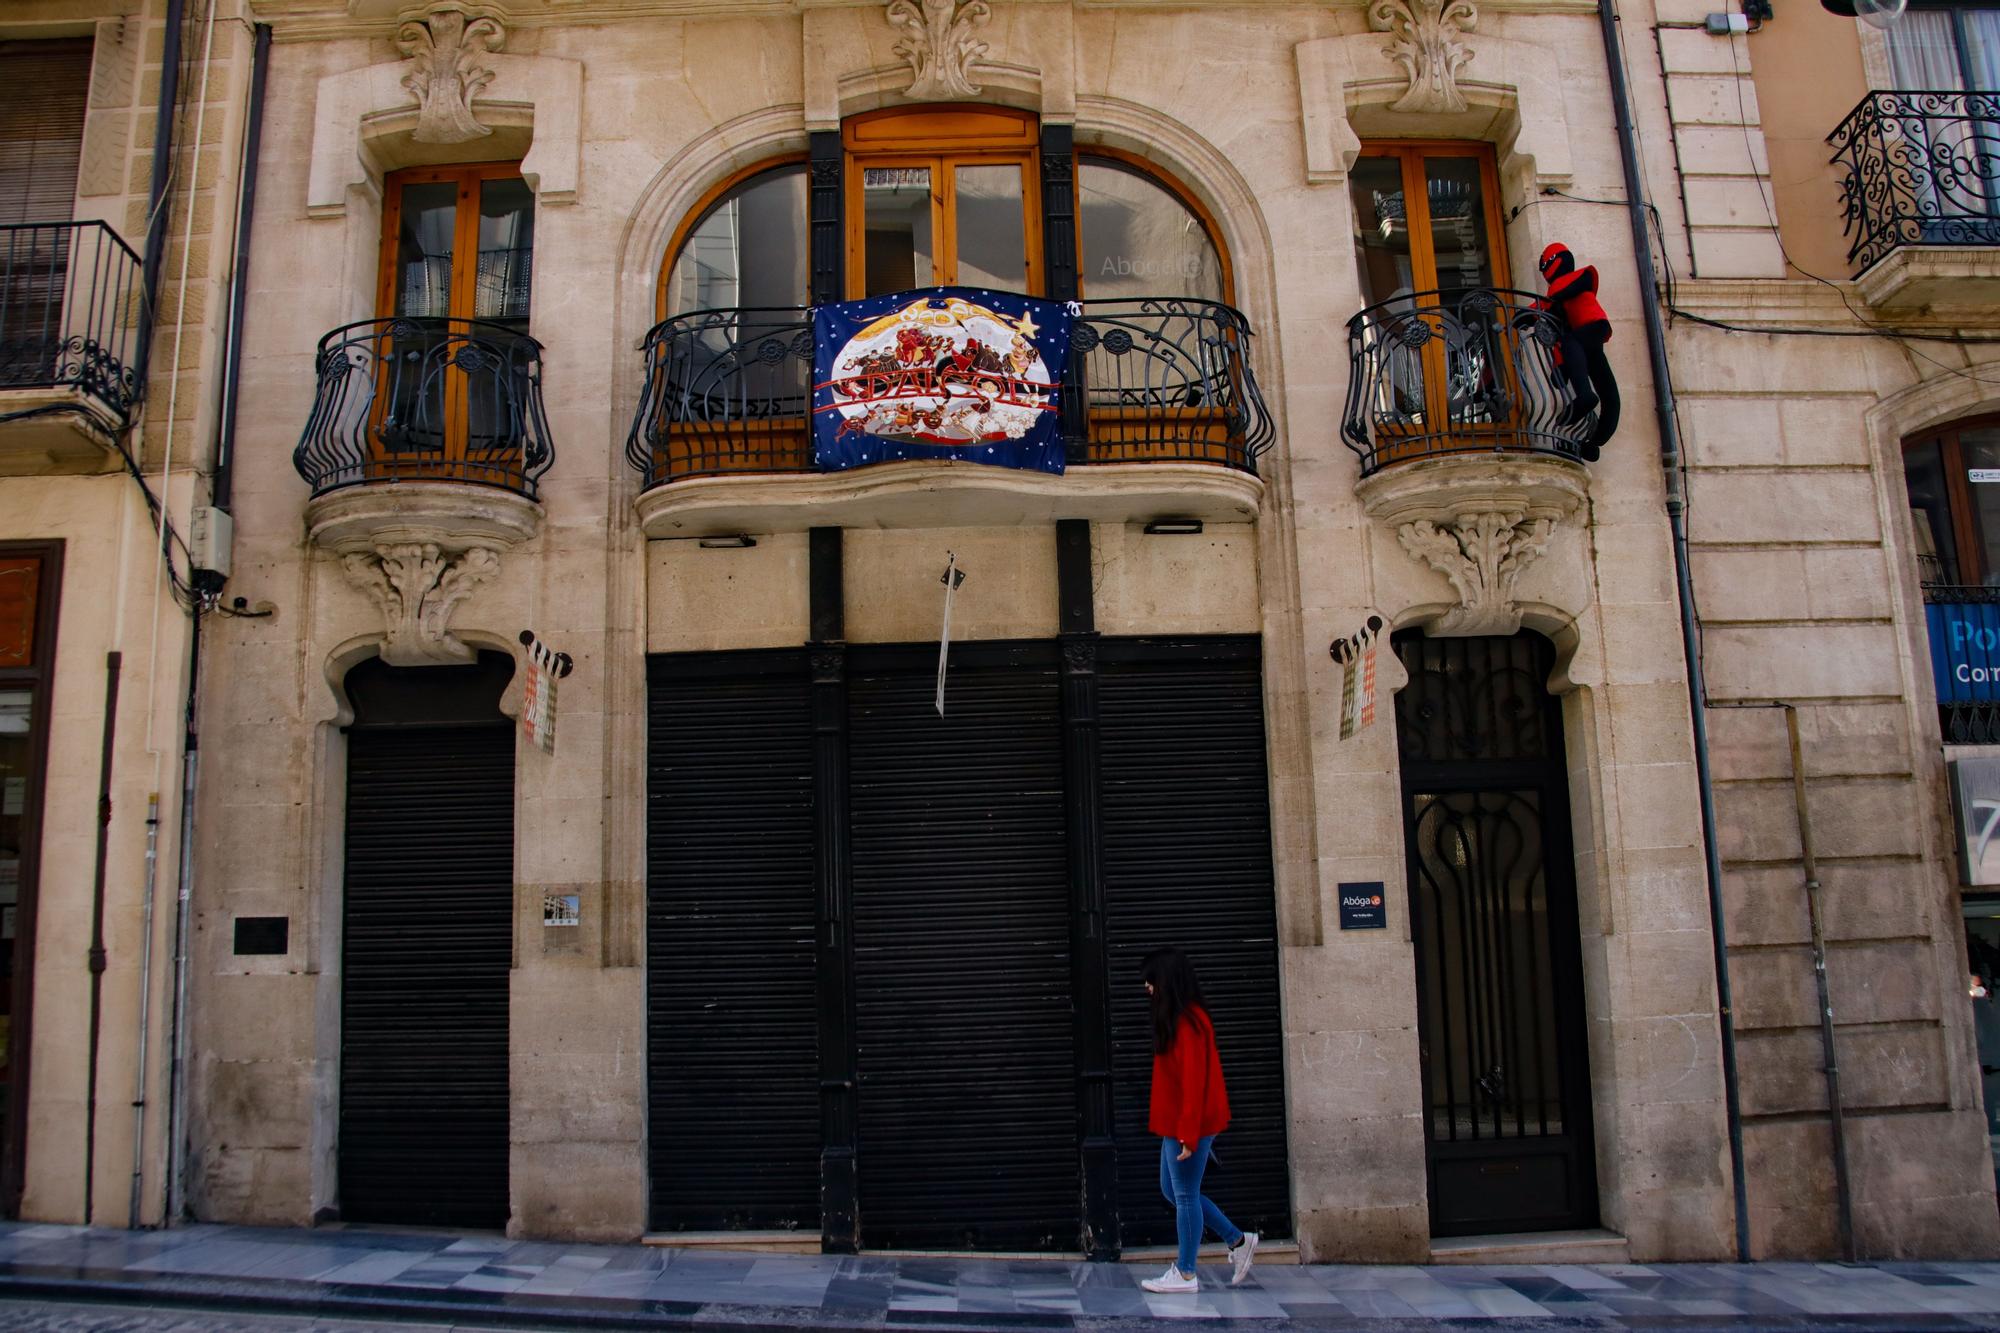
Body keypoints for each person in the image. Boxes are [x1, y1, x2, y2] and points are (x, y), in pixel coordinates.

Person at [1139, 945, 1257, 1294]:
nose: (1147, 987)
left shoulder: (1189, 1023)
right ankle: (1237, 1240)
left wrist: (1188, 1134)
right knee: (1172, 1191)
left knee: (1186, 1195)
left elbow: (1194, 1082)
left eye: (1151, 980)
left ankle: (1186, 1273)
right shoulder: (1179, 1019)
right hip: (1176, 1123)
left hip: (1189, 1124)